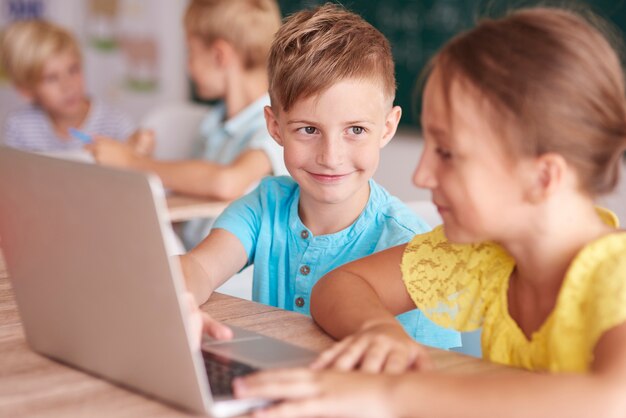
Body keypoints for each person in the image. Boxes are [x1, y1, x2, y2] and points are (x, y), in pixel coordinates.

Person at [225, 7, 626, 418]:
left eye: (447, 153)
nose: (421, 175)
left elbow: (611, 401)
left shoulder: (618, 275)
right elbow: (339, 285)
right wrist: (377, 329)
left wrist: (390, 396)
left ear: (542, 177)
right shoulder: (484, 254)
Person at [181, 4, 461, 349]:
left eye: (355, 129)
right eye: (308, 129)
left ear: (387, 128)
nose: (331, 157)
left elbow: (430, 376)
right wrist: (180, 296)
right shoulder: (264, 205)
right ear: (275, 127)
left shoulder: (410, 247)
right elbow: (198, 268)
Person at [85, 0, 287, 249]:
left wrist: (134, 163)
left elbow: (227, 182)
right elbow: (190, 211)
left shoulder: (276, 126)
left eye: (190, 52)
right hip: (189, 257)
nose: (187, 66)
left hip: (233, 277)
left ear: (218, 56)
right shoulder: (212, 125)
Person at [0, 19, 138, 153]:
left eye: (73, 70)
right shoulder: (19, 127)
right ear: (26, 90)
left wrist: (137, 152)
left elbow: (137, 169)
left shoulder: (116, 126)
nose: (68, 86)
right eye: (51, 78)